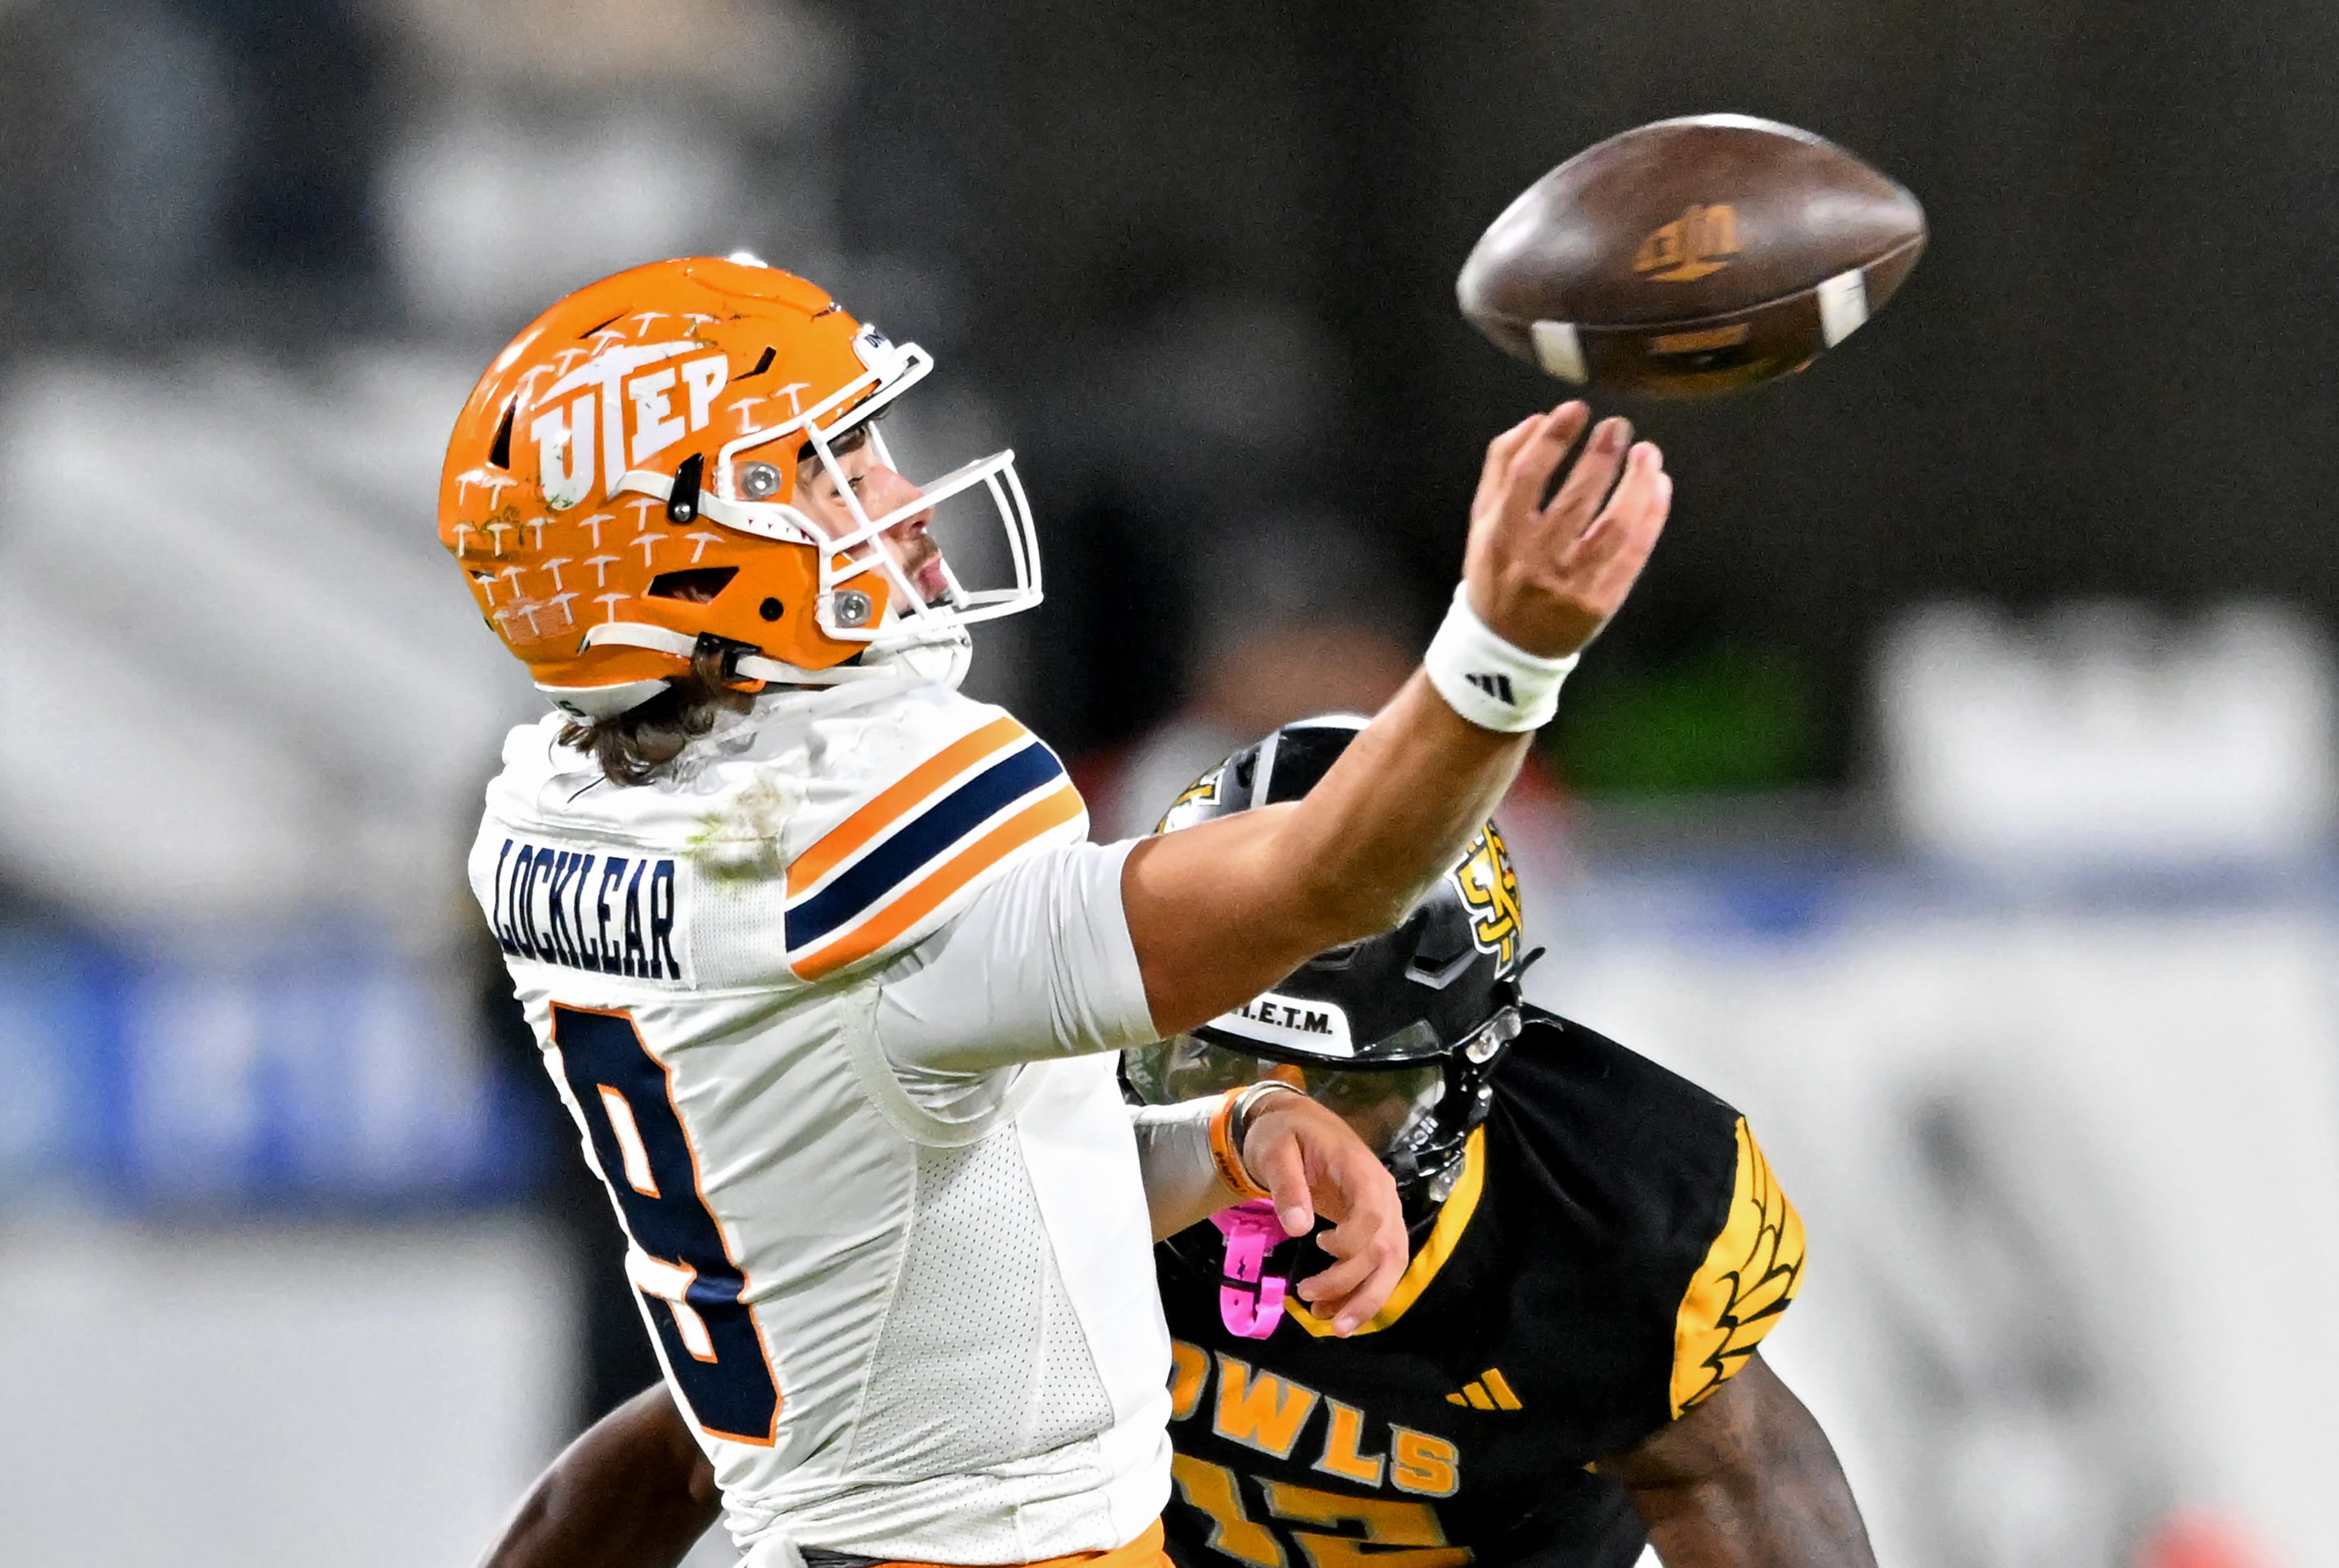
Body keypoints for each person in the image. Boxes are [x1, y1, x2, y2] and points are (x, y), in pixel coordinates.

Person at [440, 253, 1672, 1568]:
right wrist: (1507, 646)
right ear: (677, 557)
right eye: (831, 467)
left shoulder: (558, 802)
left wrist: (1226, 1139)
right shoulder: (861, 833)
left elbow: (932, 1186)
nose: (901, 499)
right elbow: (1334, 880)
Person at [478, 716, 1875, 1568]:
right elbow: (695, 1447)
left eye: (1345, 1093)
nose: (1274, 1138)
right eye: (1213, 1055)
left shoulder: (1614, 1220)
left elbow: (1733, 1475)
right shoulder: (1043, 1134)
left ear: (1470, 1073)